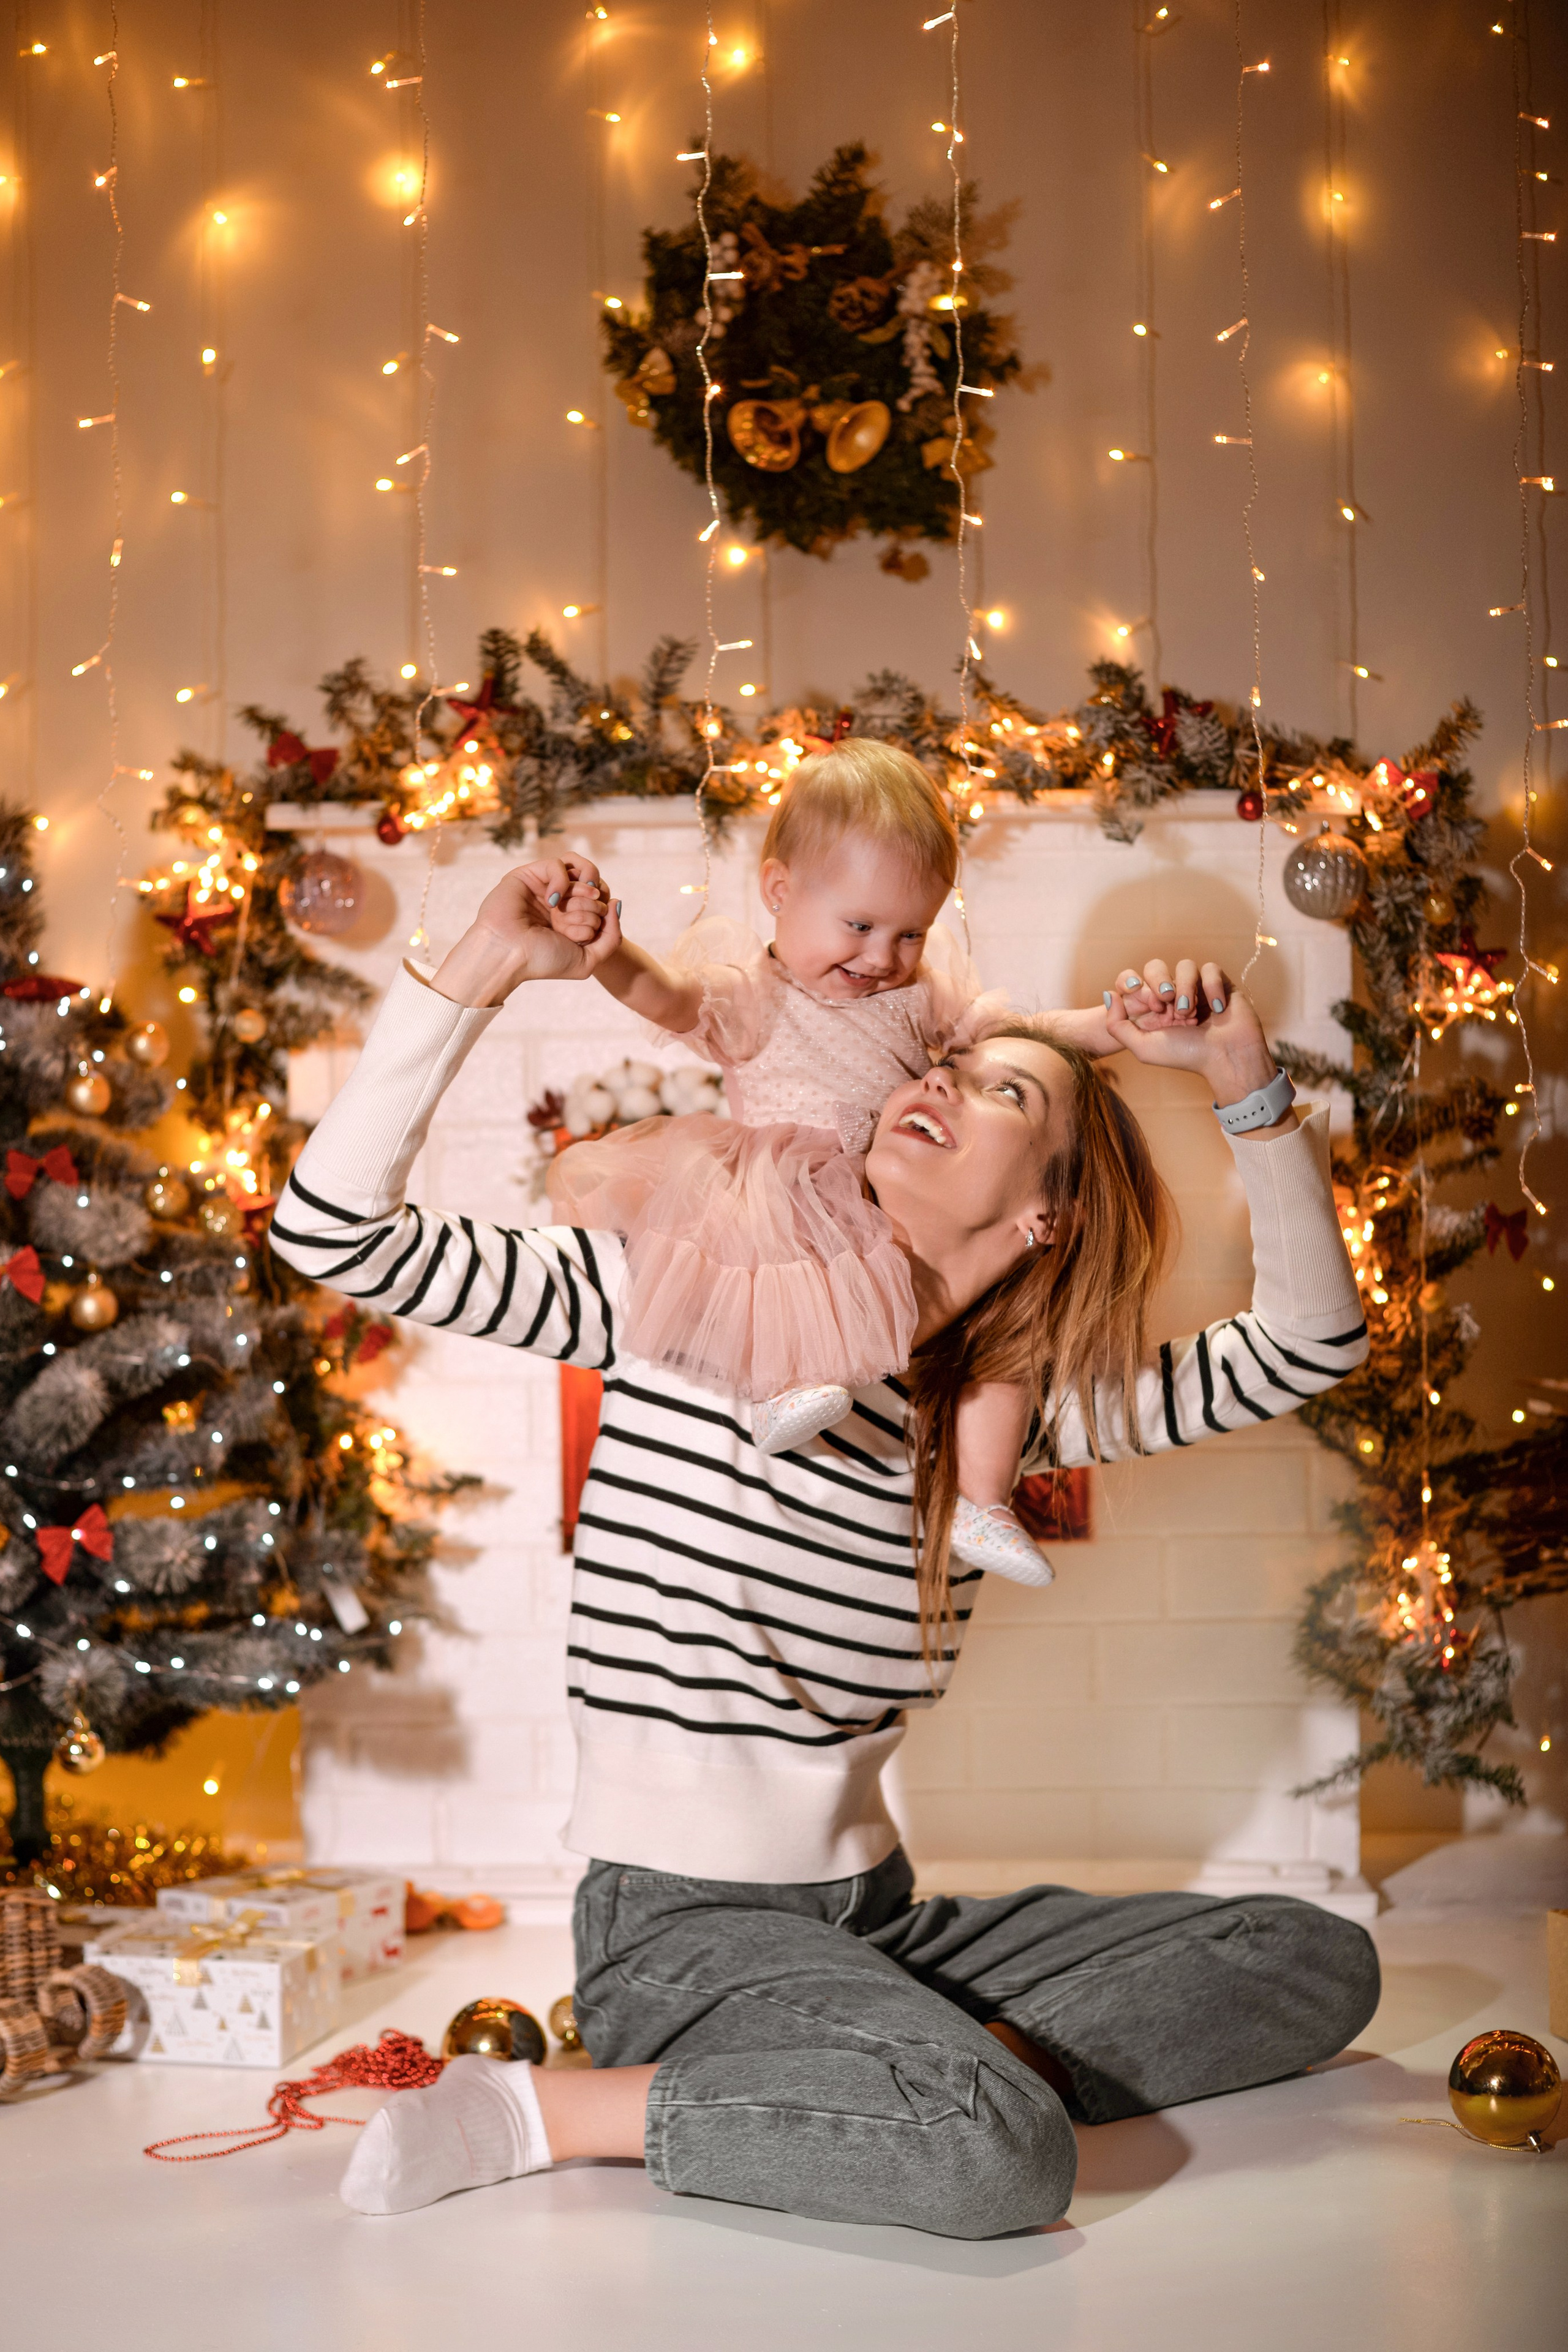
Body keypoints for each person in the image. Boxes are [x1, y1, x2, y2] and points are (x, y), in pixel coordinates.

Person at [267, 856, 1379, 2240]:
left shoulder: (999, 1415)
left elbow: (1310, 1346)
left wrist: (1241, 1078)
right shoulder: (676, 1297)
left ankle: (881, 2074)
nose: (938, 1084)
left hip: (874, 1918)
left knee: (1309, 1958)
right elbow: (331, 1232)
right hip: (677, 1929)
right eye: (947, 1068)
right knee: (994, 2158)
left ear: (1047, 1214)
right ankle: (535, 2110)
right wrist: (483, 966)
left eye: (1003, 1092)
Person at [551, 737, 1121, 1587]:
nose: (882, 957)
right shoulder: (753, 996)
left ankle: (984, 1499)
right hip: (789, 1190)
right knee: (776, 1249)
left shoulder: (916, 998)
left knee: (1001, 1335)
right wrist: (608, 952)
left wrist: (1110, 1027)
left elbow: (1018, 1039)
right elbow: (665, 996)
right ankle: (787, 1377)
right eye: (859, 926)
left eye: (910, 933)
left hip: (894, 1210)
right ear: (780, 891)